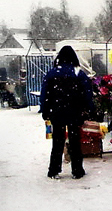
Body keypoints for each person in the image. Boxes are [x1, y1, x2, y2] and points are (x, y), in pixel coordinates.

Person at [40, 45, 94, 179]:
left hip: (56, 111)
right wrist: (89, 108)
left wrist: (45, 109)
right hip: (74, 111)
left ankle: (54, 170)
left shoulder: (52, 73)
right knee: (75, 141)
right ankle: (77, 170)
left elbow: (44, 93)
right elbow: (87, 93)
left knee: (57, 142)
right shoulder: (78, 73)